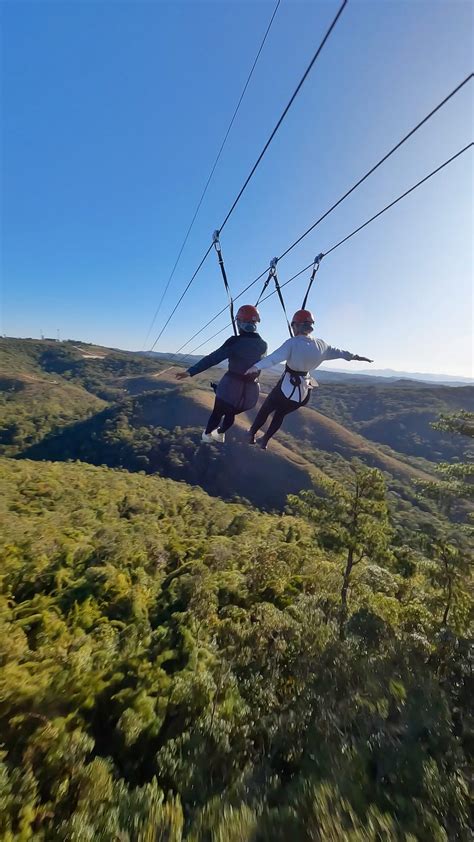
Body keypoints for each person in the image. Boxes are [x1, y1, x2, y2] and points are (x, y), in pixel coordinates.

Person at [245, 309, 373, 449]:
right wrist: (358, 357)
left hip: (286, 388)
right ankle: (265, 441)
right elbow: (342, 353)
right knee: (280, 415)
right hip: (303, 393)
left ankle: (251, 433)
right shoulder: (321, 345)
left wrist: (255, 367)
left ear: (296, 325)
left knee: (266, 409)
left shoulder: (292, 343)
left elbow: (273, 358)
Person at [176, 305, 267, 442]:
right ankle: (221, 433)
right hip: (250, 395)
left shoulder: (235, 342)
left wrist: (190, 372)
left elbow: (213, 358)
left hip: (230, 389)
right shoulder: (263, 344)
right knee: (230, 413)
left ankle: (207, 435)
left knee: (218, 412)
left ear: (239, 323)